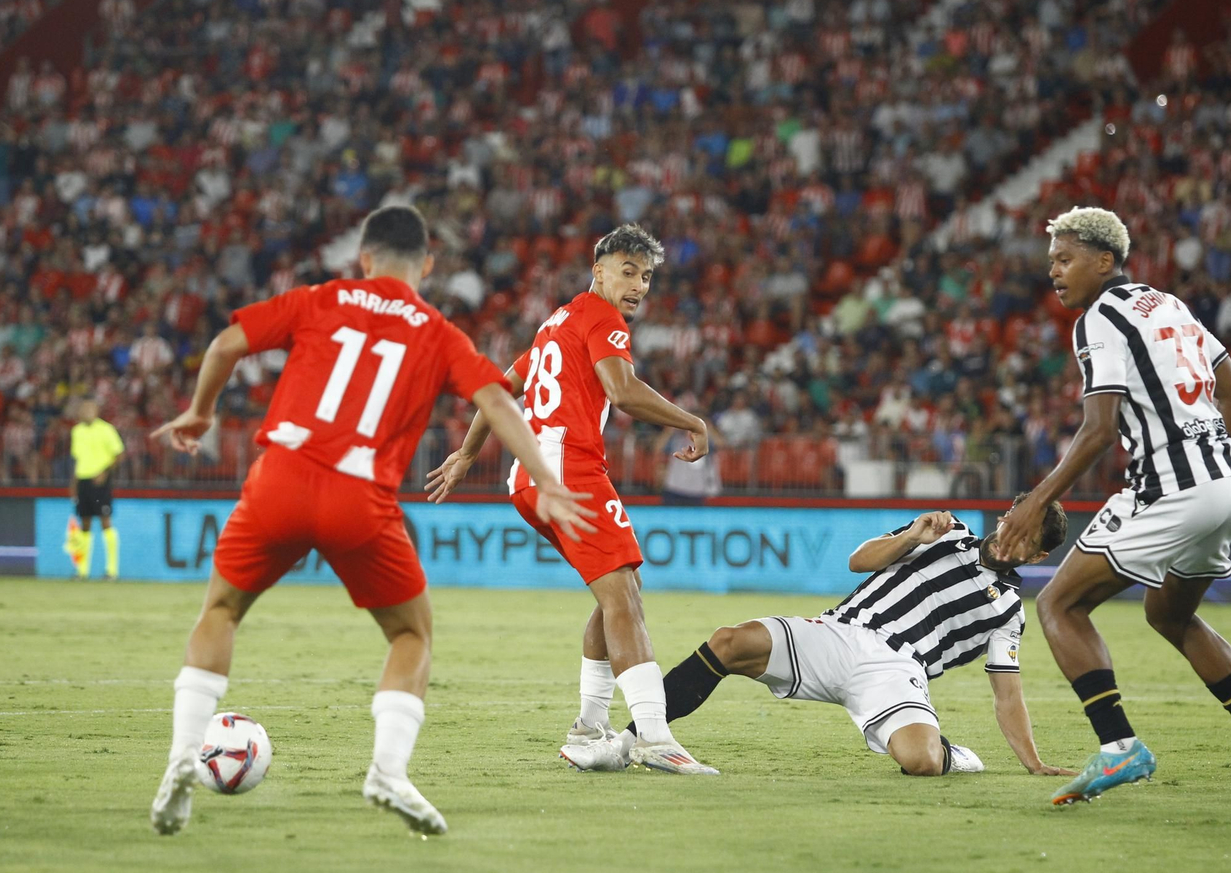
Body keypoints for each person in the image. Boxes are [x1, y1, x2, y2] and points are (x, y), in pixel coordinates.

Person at [147, 205, 594, 837]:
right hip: (359, 497)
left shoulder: (319, 299)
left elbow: (224, 344)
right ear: (427, 266)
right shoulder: (438, 332)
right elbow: (497, 398)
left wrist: (199, 413)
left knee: (220, 612)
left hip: (280, 477)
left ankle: (179, 760)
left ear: (363, 259)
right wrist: (547, 481)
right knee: (411, 635)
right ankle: (387, 770)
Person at [996, 207, 1231, 806]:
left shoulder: (1098, 320)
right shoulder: (1168, 303)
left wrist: (1037, 500)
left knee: (1060, 603)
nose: (1054, 273)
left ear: (1104, 260)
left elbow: (1098, 429)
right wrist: (1203, 456)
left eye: (1065, 260)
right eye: (1051, 263)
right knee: (1168, 615)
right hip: (1230, 484)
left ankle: (1119, 748)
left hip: (1172, 489)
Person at [427, 224, 717, 774]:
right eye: (627, 272)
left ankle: (589, 725)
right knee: (623, 598)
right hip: (568, 471)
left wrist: (467, 456)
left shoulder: (555, 322)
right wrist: (693, 422)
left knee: (619, 591)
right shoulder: (601, 319)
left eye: (647, 277)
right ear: (598, 269)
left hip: (531, 476)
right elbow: (623, 391)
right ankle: (655, 738)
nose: (637, 285)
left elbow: (497, 390)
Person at [564, 502, 1076, 780]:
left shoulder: (1008, 612)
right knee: (729, 641)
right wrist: (911, 535)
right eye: (1017, 519)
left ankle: (953, 754)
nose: (1012, 534)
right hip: (838, 632)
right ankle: (629, 742)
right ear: (1009, 511)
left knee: (920, 762)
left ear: (1034, 557)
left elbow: (1006, 692)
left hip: (896, 670)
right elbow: (858, 560)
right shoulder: (944, 529)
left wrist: (1032, 762)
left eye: (1026, 539)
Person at [67, 398, 125, 580]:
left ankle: (112, 570)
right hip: (83, 481)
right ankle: (82, 571)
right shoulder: (77, 431)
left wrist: (104, 472)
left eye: (89, 408)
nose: (86, 412)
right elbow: (77, 460)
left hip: (100, 482)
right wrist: (73, 485)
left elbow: (120, 454)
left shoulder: (106, 429)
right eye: (83, 409)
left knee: (105, 522)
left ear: (96, 411)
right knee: (84, 524)